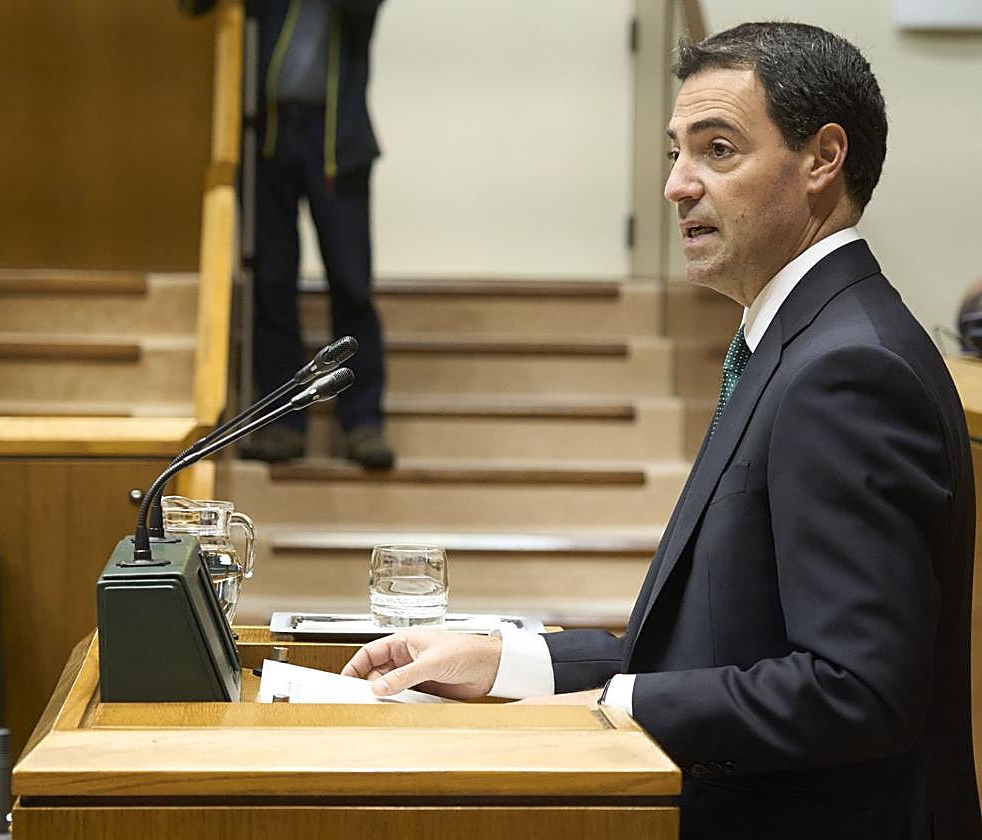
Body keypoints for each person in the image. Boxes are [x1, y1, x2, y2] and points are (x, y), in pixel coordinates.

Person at [342, 22, 981, 840]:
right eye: (675, 153)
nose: (679, 184)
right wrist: (504, 661)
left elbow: (853, 692)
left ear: (823, 159)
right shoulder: (803, 340)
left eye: (718, 150)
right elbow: (717, 647)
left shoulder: (847, 369)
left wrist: (608, 709)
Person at [182, 0, 394, 469]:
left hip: (337, 137)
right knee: (272, 282)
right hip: (268, 134)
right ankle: (282, 420)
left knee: (351, 282)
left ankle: (362, 421)